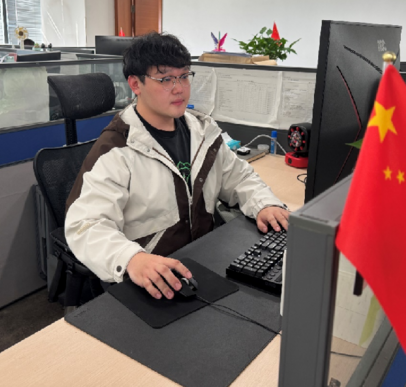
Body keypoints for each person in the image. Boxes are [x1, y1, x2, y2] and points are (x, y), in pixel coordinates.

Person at [65, 32, 289, 301]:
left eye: (184, 76)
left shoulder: (202, 132)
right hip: (152, 275)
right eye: (165, 79)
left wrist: (264, 204)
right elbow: (85, 225)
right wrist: (131, 258)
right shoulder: (116, 150)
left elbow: (239, 178)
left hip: (203, 259)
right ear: (135, 84)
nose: (179, 88)